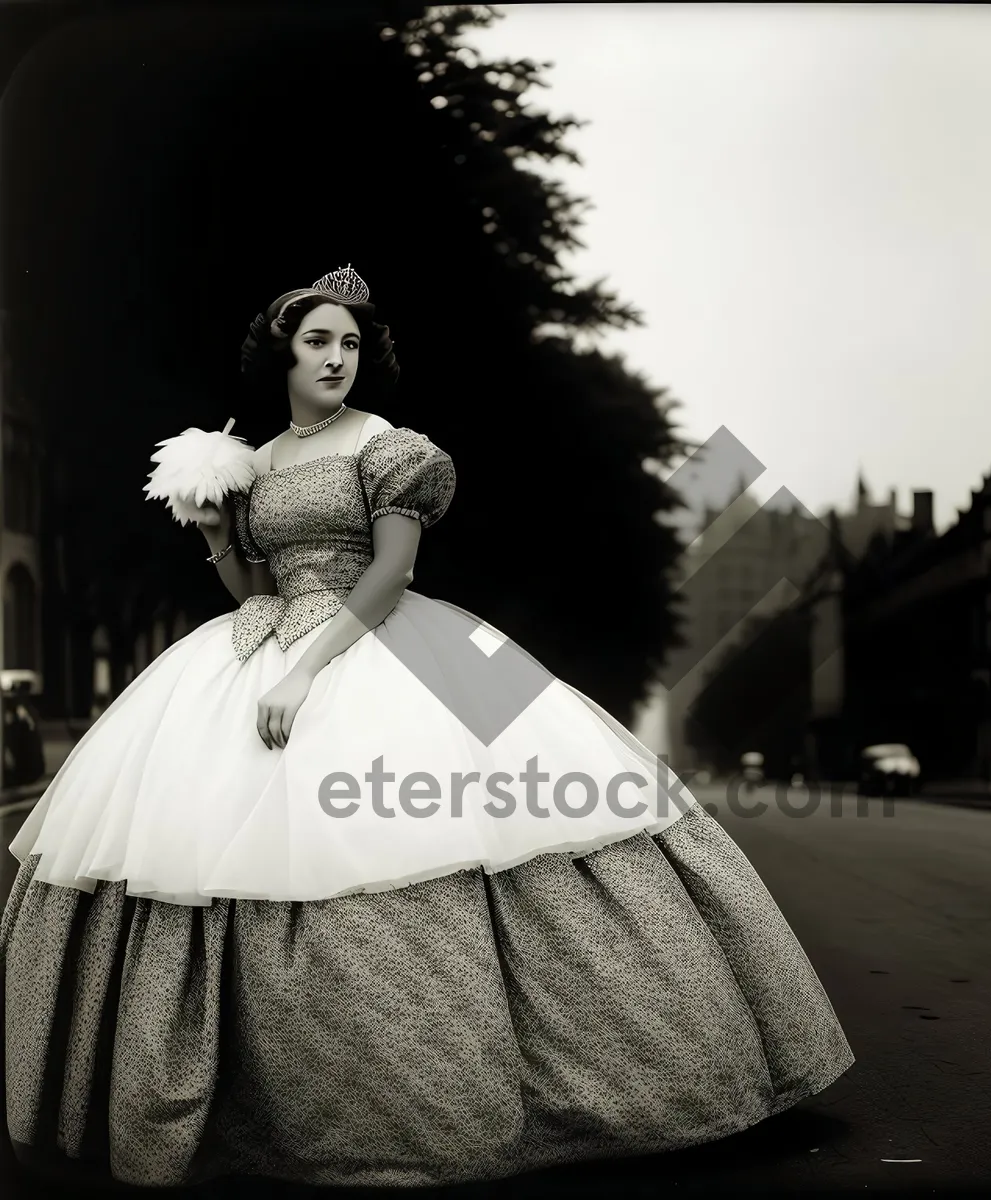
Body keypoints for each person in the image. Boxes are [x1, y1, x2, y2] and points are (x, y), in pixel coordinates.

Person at [1, 267, 853, 1190]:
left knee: (437, 834)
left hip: (369, 644)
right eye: (320, 341)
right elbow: (255, 588)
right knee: (204, 848)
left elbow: (389, 577)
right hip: (257, 643)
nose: (337, 358)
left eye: (352, 344)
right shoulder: (260, 461)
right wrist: (215, 533)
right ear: (281, 353)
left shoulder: (391, 449)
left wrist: (305, 670)